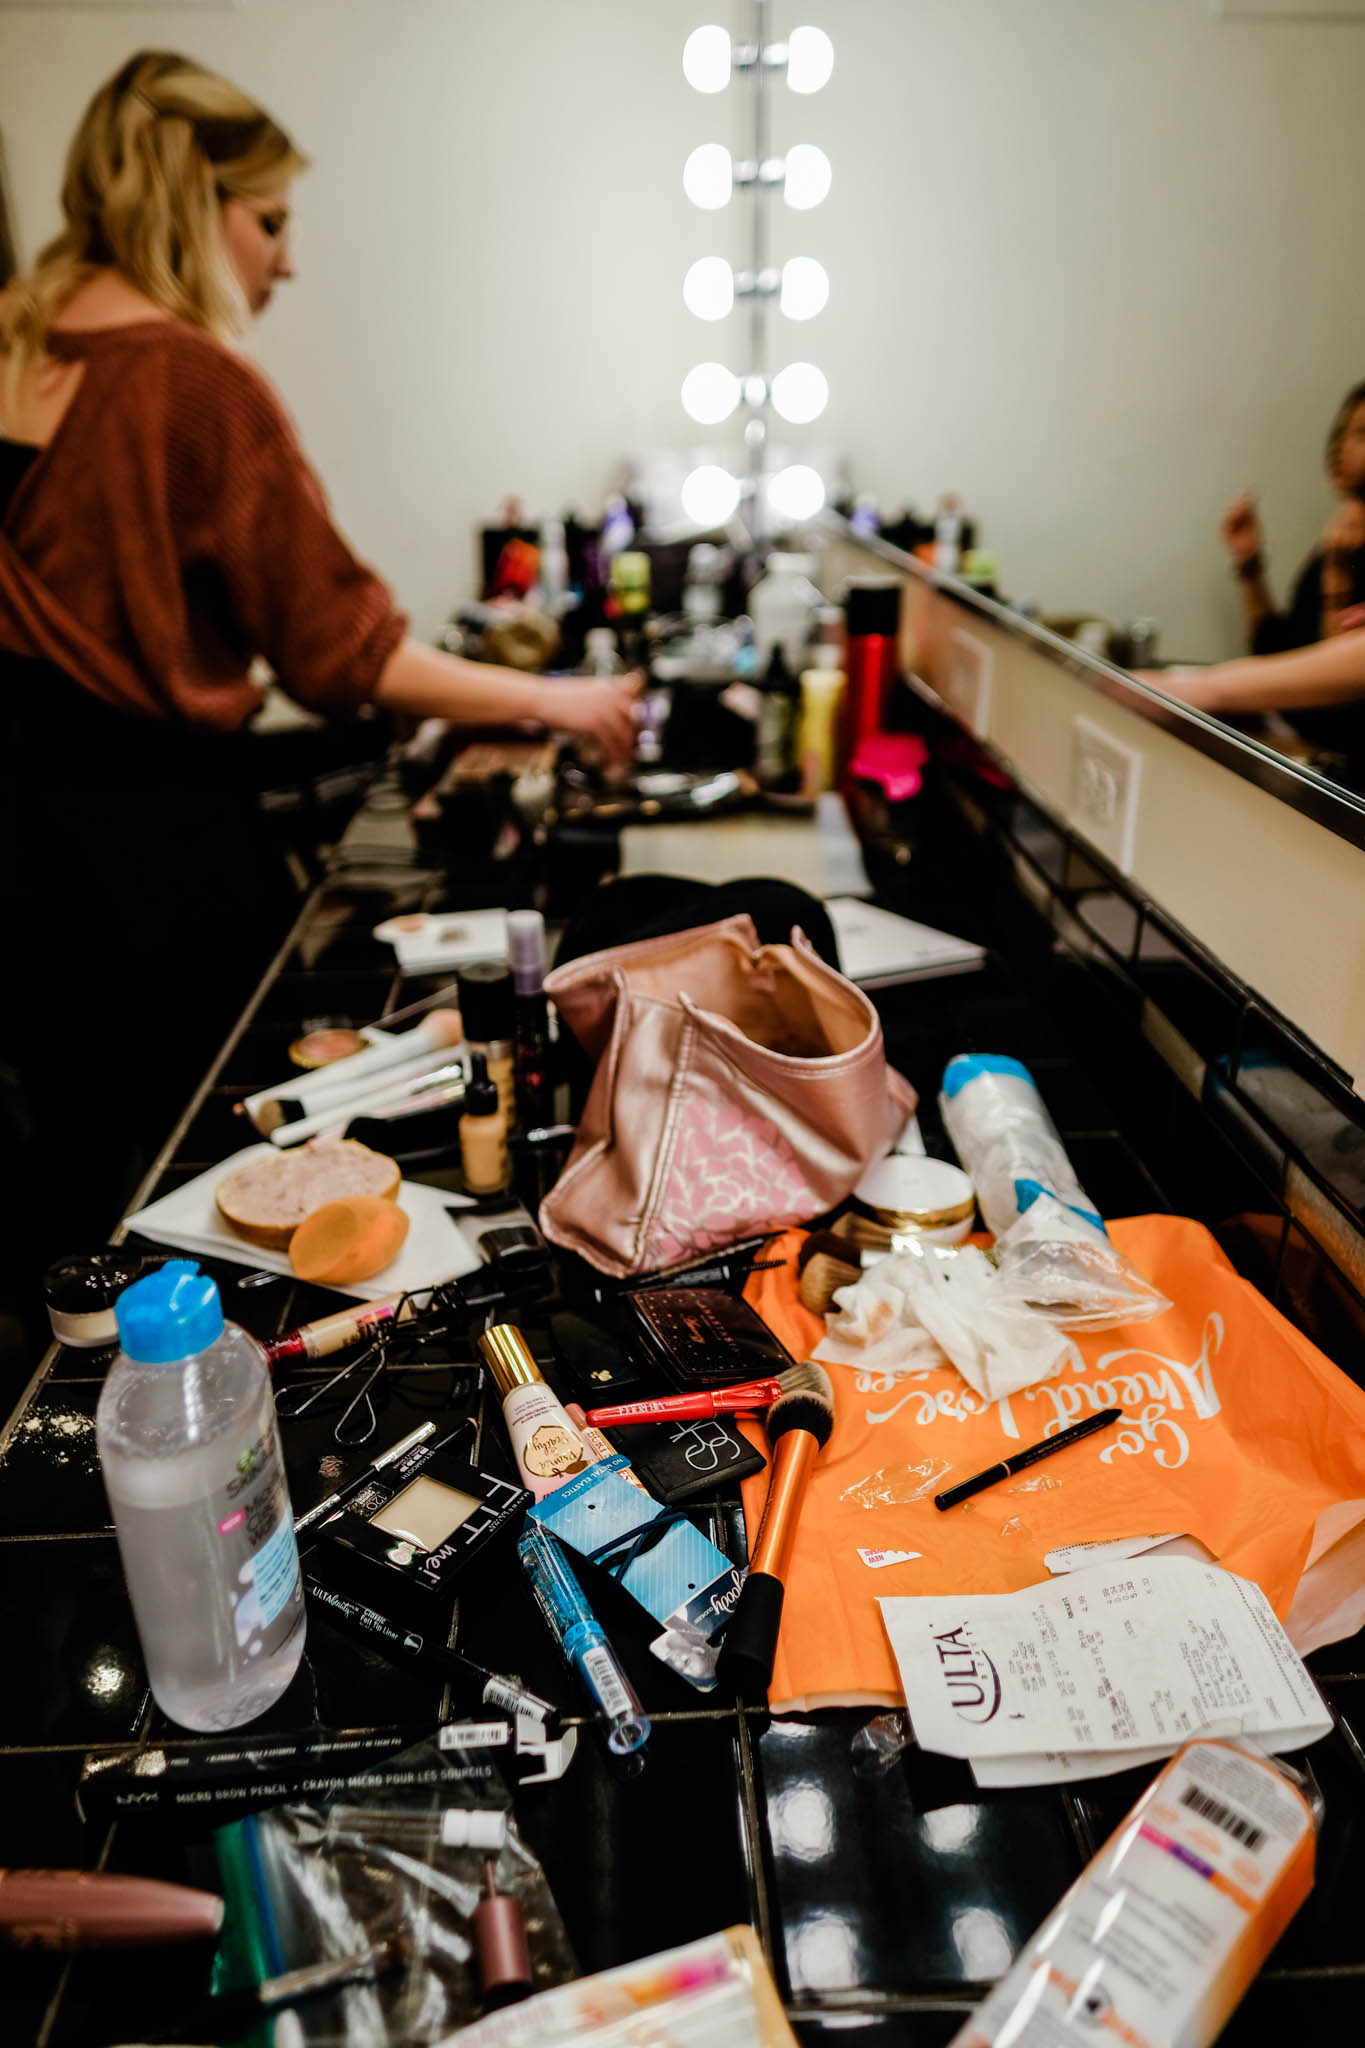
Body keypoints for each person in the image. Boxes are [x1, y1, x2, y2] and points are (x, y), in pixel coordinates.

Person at [0, 50, 636, 1270]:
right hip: (144, 857)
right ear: (195, 203)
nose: (284, 259)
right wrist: (556, 700)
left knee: (81, 1175)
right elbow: (344, 652)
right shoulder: (190, 383)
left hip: (21, 855)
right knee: (224, 1184)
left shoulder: (25, 351)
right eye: (272, 220)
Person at [1220, 384, 1365, 656]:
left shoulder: (1342, 553)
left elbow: (1332, 681)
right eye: (1340, 432)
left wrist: (1339, 572)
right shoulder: (1335, 541)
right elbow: (1275, 648)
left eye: (1361, 433)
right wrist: (1249, 563)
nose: (1339, 446)